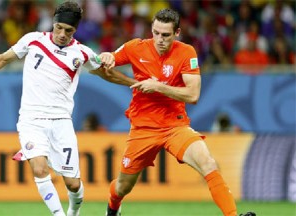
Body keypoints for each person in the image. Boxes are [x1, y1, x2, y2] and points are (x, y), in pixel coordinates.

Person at [0, 1, 134, 216]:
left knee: (73, 185)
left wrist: (133, 83)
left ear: (75, 31)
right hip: (31, 120)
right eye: (58, 27)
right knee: (39, 168)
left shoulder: (82, 53)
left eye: (68, 31)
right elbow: (3, 59)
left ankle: (73, 212)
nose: (61, 33)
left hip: (61, 122)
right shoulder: (33, 40)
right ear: (53, 23)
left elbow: (108, 74)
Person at [98, 8, 256, 216]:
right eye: (155, 33)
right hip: (143, 128)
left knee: (207, 162)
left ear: (177, 33)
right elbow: (102, 66)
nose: (159, 39)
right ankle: (113, 208)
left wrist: (158, 86)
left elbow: (193, 95)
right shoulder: (135, 47)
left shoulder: (186, 52)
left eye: (165, 35)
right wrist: (113, 62)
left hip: (175, 126)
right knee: (122, 187)